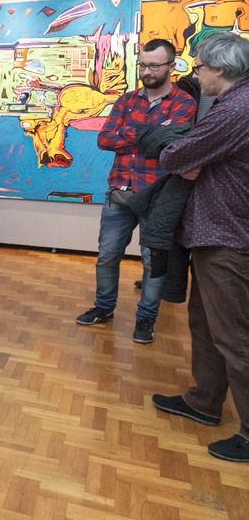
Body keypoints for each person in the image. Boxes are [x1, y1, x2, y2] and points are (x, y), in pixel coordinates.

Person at [152, 32, 249, 463]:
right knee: (206, 325)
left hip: (229, 236)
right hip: (214, 233)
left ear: (221, 69)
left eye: (200, 67)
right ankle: (204, 401)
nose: (197, 74)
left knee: (235, 337)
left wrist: (179, 154)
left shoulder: (237, 108)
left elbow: (176, 155)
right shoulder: (233, 104)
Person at [75, 39, 196, 344]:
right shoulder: (126, 101)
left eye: (154, 65)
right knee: (107, 256)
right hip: (119, 192)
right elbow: (105, 139)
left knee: (152, 263)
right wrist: (148, 133)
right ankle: (104, 308)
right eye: (143, 65)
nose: (146, 71)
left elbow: (171, 143)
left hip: (157, 196)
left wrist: (132, 134)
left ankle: (145, 320)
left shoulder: (184, 103)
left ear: (171, 66)